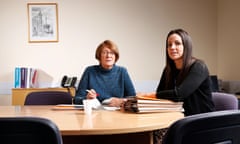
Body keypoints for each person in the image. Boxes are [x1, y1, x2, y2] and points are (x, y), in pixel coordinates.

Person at [138, 29, 215, 144]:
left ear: (186, 45)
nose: (172, 47)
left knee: (159, 135)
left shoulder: (199, 66)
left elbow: (179, 94)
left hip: (200, 121)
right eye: (169, 45)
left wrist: (149, 95)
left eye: (177, 43)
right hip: (177, 118)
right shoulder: (168, 70)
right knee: (146, 133)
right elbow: (160, 93)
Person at [73, 40, 136, 107]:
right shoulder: (89, 71)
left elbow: (133, 98)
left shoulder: (122, 72)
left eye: (112, 53)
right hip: (96, 114)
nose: (108, 56)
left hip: (118, 113)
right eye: (104, 52)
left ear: (115, 56)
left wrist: (122, 101)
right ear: (99, 56)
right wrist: (87, 99)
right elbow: (77, 99)